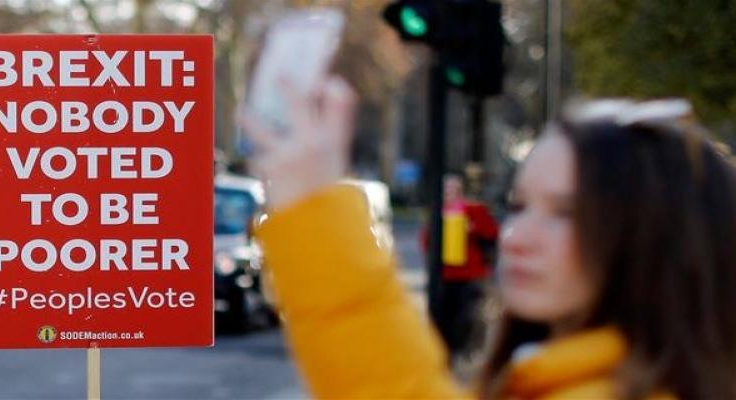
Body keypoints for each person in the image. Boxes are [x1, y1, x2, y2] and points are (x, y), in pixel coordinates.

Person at [240, 78, 736, 399]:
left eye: (566, 213)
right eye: (520, 206)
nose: (517, 237)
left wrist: (317, 216)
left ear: (662, 238)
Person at [421, 175, 498, 357]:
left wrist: (473, 227)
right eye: (446, 190)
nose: (450, 194)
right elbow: (425, 243)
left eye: (454, 190)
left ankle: (465, 350)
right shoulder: (437, 212)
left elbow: (492, 232)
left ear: (461, 191)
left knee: (467, 317)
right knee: (441, 317)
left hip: (469, 275)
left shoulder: (474, 210)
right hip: (443, 275)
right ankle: (444, 352)